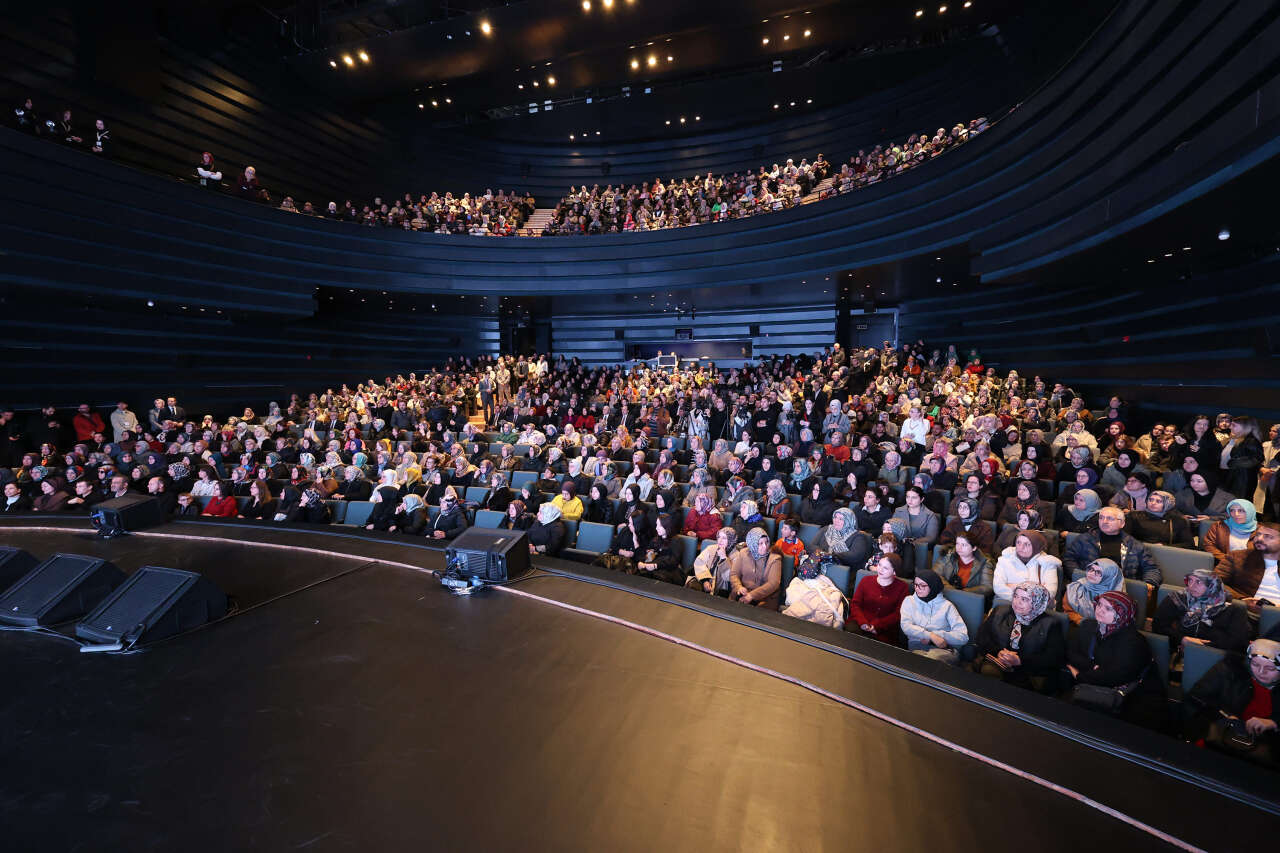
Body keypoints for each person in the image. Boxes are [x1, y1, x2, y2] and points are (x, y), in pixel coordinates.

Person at [1065, 591, 1164, 723]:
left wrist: (1080, 675)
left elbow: (1116, 676)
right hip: (1096, 689)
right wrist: (1092, 666)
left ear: (1122, 615)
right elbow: (1071, 652)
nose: (1100, 610)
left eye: (1108, 608)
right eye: (1099, 604)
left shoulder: (1134, 642)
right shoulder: (1089, 625)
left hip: (1132, 700)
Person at [1183, 638, 1280, 766]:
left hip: (1264, 753)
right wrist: (1225, 716)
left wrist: (1275, 723)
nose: (1261, 672)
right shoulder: (1229, 668)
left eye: (1270, 668)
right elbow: (1196, 697)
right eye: (1255, 664)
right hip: (1220, 739)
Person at [973, 582, 1065, 693]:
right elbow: (981, 637)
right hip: (997, 662)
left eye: (1024, 599)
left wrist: (1019, 660)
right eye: (1016, 596)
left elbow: (1054, 658)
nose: (1017, 602)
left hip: (1028, 672)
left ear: (1037, 602)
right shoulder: (1000, 611)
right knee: (988, 672)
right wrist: (999, 652)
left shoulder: (1051, 624)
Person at [1152, 568, 1250, 653]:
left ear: (1212, 585)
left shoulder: (1233, 609)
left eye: (1198, 582)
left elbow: (1237, 643)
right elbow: (1157, 626)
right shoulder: (1177, 599)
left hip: (1215, 656)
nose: (1191, 586)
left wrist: (1199, 647)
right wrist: (1181, 639)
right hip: (1179, 653)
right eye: (1190, 580)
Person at [1063, 506, 1162, 589]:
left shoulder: (1134, 545)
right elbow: (1068, 559)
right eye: (1101, 518)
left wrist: (1148, 584)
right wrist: (1081, 578)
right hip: (1090, 585)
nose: (1104, 521)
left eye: (1110, 518)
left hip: (1121, 588)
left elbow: (1151, 568)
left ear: (1122, 523)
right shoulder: (1085, 539)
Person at [899, 569, 969, 664]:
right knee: (916, 661)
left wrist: (937, 636)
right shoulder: (909, 601)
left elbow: (963, 637)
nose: (918, 588)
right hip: (917, 649)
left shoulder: (947, 606)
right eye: (915, 584)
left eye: (923, 585)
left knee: (928, 661)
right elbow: (906, 626)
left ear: (933, 586)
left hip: (944, 650)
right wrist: (930, 636)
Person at [1214, 521, 1280, 608]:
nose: (1259, 538)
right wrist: (1241, 599)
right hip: (1246, 610)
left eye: (1267, 536)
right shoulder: (1236, 557)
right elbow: (1214, 582)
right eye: (1258, 534)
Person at [847, 553, 910, 644]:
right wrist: (862, 622)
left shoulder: (903, 587)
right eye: (879, 565)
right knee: (850, 638)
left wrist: (877, 625)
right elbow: (855, 604)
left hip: (885, 629)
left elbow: (898, 614)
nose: (880, 569)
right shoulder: (866, 580)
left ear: (894, 572)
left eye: (885, 568)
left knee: (874, 645)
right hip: (859, 622)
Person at [781, 552, 848, 629]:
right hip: (807, 593)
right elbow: (791, 597)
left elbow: (833, 591)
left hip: (821, 596)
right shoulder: (798, 581)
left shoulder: (823, 579)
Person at [993, 530, 1062, 605]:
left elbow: (1050, 592)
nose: (1021, 547)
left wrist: (1013, 586)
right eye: (1018, 542)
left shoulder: (1048, 562)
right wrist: (1037, 588)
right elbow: (998, 587)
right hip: (1008, 603)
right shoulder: (1005, 559)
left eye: (1027, 544)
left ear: (1036, 546)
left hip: (1038, 608)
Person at [729, 526, 782, 608]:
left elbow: (773, 583)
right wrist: (739, 587)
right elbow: (734, 574)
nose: (765, 546)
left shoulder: (775, 558)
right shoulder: (743, 553)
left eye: (766, 542)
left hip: (764, 599)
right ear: (752, 544)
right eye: (760, 543)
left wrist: (751, 595)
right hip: (742, 595)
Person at [932, 532, 994, 599]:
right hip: (946, 595)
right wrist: (949, 588)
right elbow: (935, 574)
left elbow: (987, 587)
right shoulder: (949, 556)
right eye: (957, 544)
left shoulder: (984, 563)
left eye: (964, 545)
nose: (959, 548)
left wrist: (963, 592)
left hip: (969, 599)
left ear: (974, 548)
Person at [1062, 558, 1124, 625]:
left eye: (1098, 572)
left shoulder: (1118, 597)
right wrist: (1083, 622)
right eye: (1091, 569)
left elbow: (1119, 621)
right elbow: (1069, 612)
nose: (1092, 573)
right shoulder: (1075, 588)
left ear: (1109, 577)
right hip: (1078, 626)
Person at [1125, 490, 1194, 546]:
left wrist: (1165, 546)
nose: (1153, 503)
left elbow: (1188, 544)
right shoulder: (1134, 516)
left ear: (1168, 504)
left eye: (1158, 501)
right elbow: (1125, 538)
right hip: (1139, 551)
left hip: (1166, 553)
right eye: (1150, 500)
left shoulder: (1178, 520)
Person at [1203, 498, 1257, 564]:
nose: (1236, 514)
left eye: (1240, 510)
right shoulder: (1218, 526)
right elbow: (1208, 545)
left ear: (1250, 512)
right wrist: (1228, 560)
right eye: (1232, 510)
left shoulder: (1261, 530)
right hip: (1223, 564)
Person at [688, 527, 736, 595]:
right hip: (704, 581)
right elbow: (699, 562)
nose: (720, 540)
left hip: (722, 589)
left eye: (724, 538)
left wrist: (723, 558)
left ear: (730, 540)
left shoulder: (736, 555)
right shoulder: (711, 548)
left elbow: (729, 577)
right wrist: (705, 580)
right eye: (719, 537)